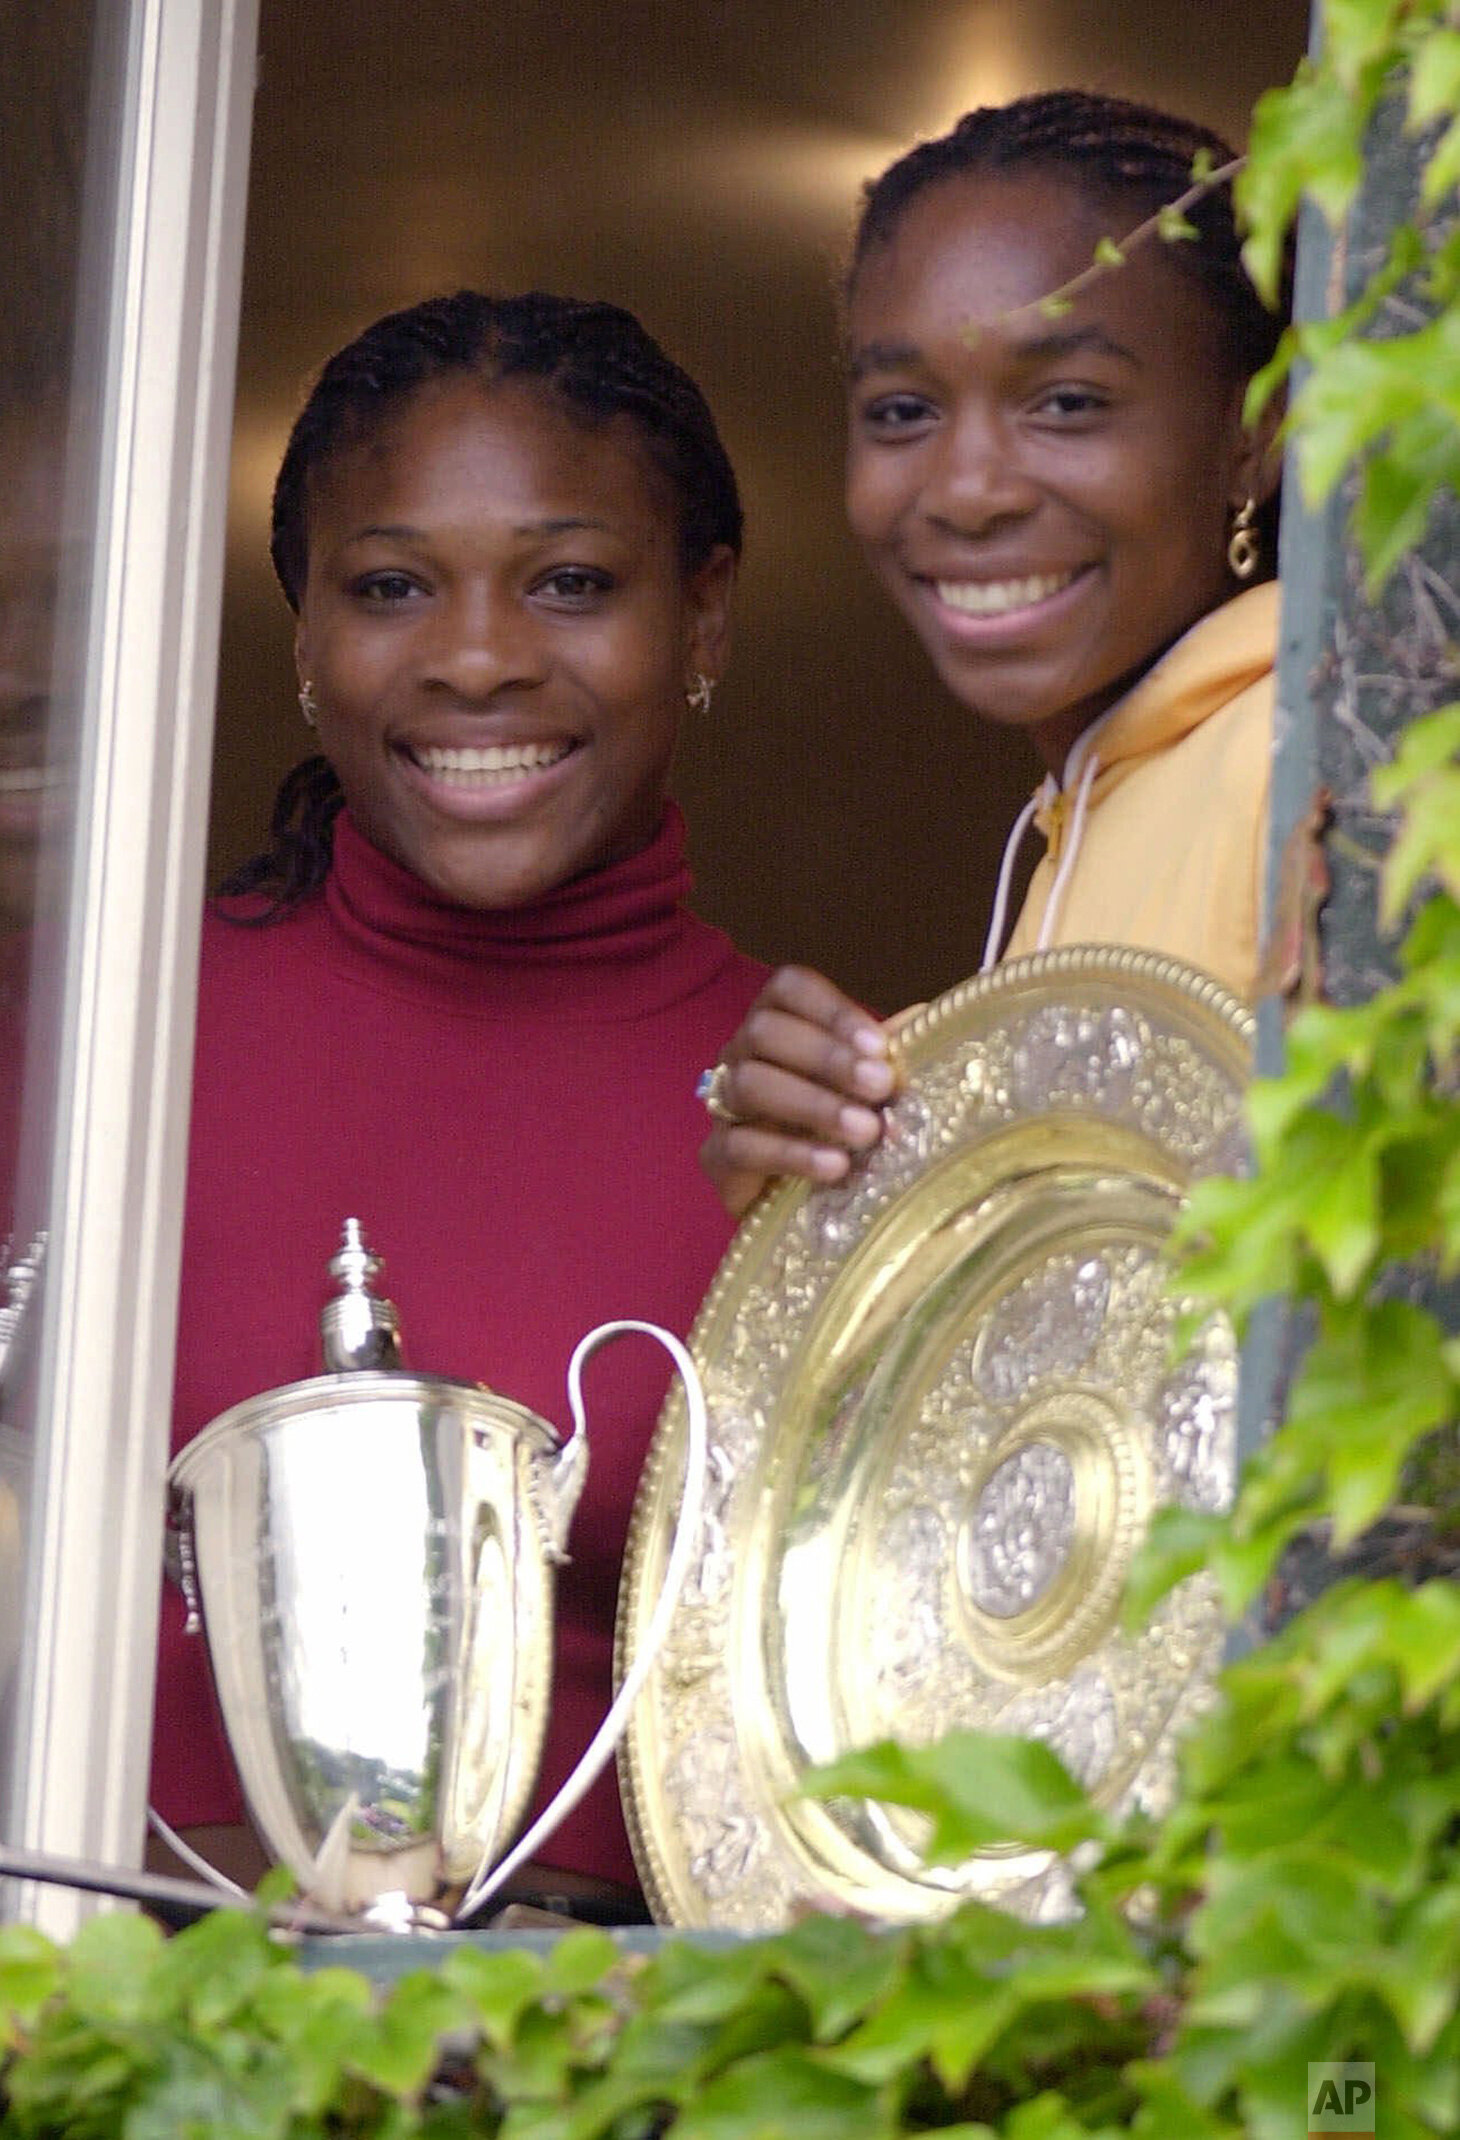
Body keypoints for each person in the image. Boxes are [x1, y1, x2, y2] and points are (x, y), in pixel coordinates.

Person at [150, 290, 769, 1916]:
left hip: (627, 2048)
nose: (480, 657)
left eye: (570, 583)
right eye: (389, 587)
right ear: (301, 634)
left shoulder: (815, 1108)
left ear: (705, 620)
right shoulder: (79, 1042)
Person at [699, 89, 1289, 1218]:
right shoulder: (1096, 814)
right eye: (904, 411)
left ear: (1252, 436)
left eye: (1067, 402)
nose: (966, 492)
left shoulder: (1304, 777)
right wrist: (815, 1204)